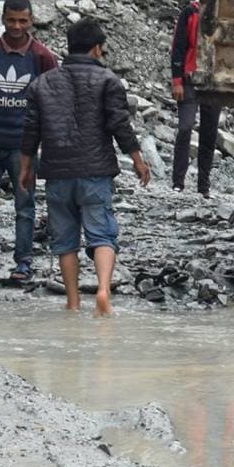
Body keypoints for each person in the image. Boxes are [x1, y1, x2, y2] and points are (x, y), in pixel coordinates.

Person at [19, 19, 150, 314]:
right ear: (96, 49)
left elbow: (30, 130)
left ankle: (73, 302)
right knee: (102, 234)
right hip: (95, 172)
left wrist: (25, 167)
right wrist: (138, 160)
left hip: (57, 173)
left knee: (65, 242)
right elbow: (120, 125)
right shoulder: (108, 81)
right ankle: (103, 291)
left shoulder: (42, 83)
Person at [0, 0, 56, 285]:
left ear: (31, 21)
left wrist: (42, 145)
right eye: (11, 20)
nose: (16, 26)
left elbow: (51, 101)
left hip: (25, 147)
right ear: (3, 19)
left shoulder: (42, 57)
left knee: (25, 204)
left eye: (22, 21)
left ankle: (23, 262)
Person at [169, 0, 221, 197]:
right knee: (185, 127)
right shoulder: (190, 12)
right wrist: (177, 80)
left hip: (214, 82)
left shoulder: (224, 13)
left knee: (209, 133)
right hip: (189, 78)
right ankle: (178, 182)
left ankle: (203, 186)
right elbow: (178, 46)